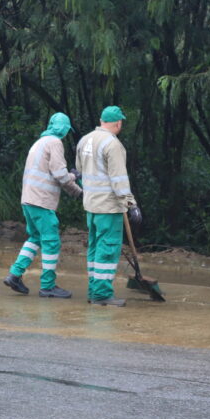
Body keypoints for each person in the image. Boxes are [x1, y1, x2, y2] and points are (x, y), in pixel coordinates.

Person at [3, 112, 83, 298]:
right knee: (51, 241)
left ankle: (15, 274)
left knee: (35, 237)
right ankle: (48, 286)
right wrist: (75, 179)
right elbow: (61, 175)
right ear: (64, 129)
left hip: (28, 199)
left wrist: (74, 188)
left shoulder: (39, 142)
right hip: (42, 200)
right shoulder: (55, 143)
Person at [75, 105, 142, 307]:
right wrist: (131, 205)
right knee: (108, 248)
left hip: (91, 205)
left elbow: (79, 172)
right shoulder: (112, 144)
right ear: (118, 123)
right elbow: (119, 178)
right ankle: (102, 294)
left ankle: (94, 289)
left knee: (95, 248)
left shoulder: (84, 140)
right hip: (108, 207)